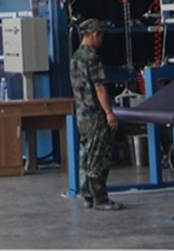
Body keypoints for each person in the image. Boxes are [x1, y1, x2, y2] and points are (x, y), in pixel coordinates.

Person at [70, 18, 123, 211]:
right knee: (98, 158)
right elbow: (100, 88)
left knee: (85, 156)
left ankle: (87, 196)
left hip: (81, 115)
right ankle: (101, 199)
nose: (102, 40)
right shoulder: (92, 57)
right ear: (95, 35)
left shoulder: (75, 57)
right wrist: (109, 112)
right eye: (101, 36)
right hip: (95, 116)